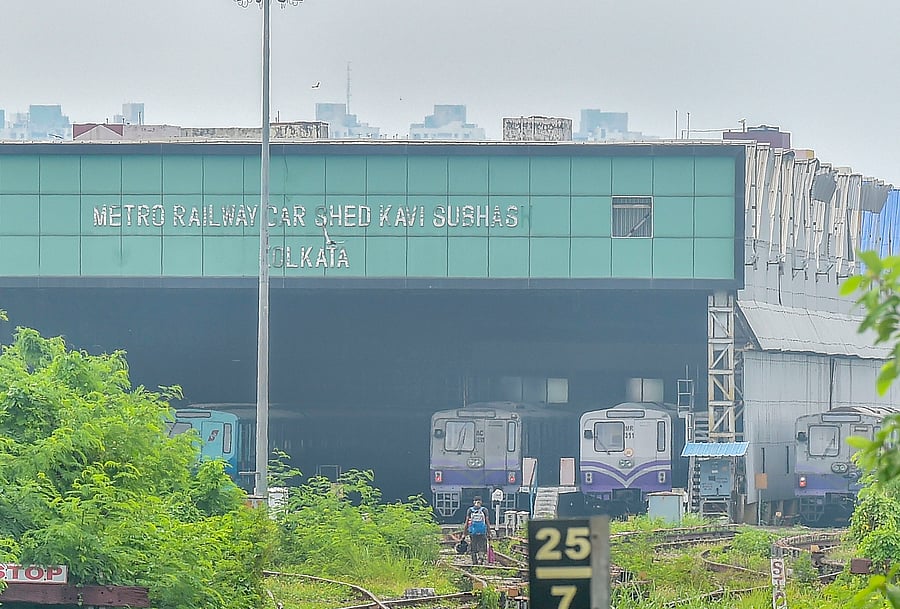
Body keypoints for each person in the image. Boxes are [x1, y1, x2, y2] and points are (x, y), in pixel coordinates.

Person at [464, 496, 491, 565]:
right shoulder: (484, 510)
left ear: (474, 502)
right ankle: (481, 558)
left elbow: (466, 522)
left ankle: (474, 560)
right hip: (482, 531)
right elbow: (487, 522)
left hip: (473, 532)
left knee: (473, 546)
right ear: (481, 502)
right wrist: (489, 532)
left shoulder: (470, 510)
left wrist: (465, 532)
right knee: (482, 545)